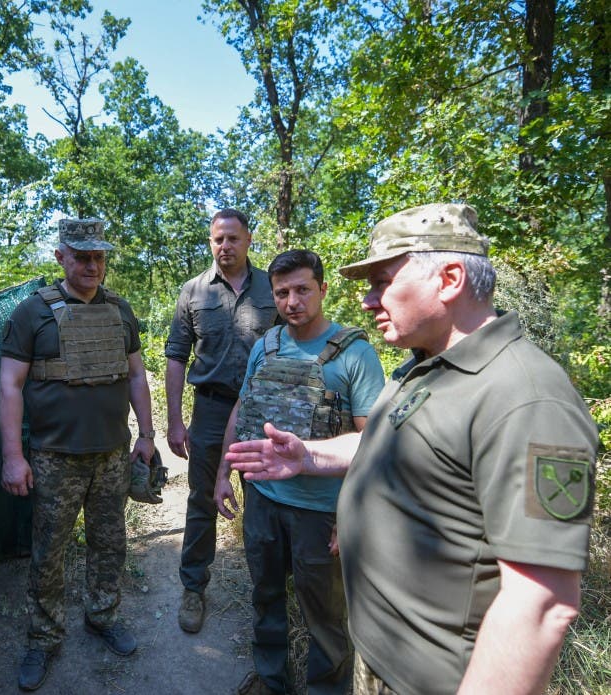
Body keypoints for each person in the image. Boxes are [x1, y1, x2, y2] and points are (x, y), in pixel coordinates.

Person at [226, 204, 599, 695]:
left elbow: (542, 604)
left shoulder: (528, 398)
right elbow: (382, 443)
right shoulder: (426, 369)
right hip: (382, 657)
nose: (368, 301)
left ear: (449, 279)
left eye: (382, 282)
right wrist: (310, 457)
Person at [214, 250, 384, 695]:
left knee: (324, 617)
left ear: (323, 290)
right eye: (282, 292)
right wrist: (222, 473)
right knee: (265, 596)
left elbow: (374, 443)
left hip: (321, 512)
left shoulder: (355, 354)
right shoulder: (265, 346)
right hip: (263, 501)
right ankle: (271, 681)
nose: (292, 301)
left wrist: (351, 514)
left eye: (303, 290)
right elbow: (242, 408)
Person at [0, 218, 156, 691]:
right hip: (54, 457)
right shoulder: (32, 313)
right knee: (49, 551)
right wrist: (12, 456)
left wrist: (146, 435)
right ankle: (43, 637)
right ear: (60, 257)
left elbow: (135, 376)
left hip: (111, 453)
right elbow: (9, 386)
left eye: (98, 257)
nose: (91, 266)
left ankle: (102, 615)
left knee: (110, 543)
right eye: (81, 257)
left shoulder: (120, 310)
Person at [165, 208, 278, 633]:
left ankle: (269, 592)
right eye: (218, 239)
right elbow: (176, 356)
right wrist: (175, 422)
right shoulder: (194, 291)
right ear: (211, 243)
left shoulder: (273, 287)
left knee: (265, 500)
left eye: (233, 238)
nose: (225, 246)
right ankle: (193, 586)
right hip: (211, 409)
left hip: (263, 410)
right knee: (202, 499)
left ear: (248, 240)